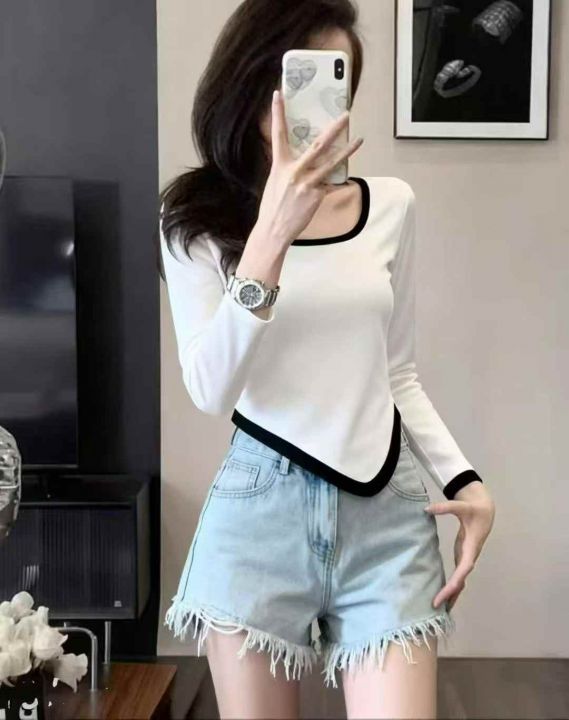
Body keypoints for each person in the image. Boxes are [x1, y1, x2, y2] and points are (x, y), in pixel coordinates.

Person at [159, 1, 496, 717]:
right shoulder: (194, 220)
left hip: (386, 518)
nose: (312, 98)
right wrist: (272, 232)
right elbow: (210, 389)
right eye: (298, 73)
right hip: (258, 515)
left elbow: (397, 373)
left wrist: (463, 478)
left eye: (334, 76)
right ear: (250, 80)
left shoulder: (391, 206)